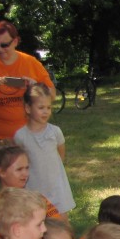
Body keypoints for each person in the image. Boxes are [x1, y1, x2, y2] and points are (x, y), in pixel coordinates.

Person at [0, 20, 55, 141]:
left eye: (4, 45)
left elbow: (52, 95)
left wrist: (36, 86)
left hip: (31, 133)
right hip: (0, 137)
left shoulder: (31, 63)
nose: (0, 50)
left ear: (15, 41)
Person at [14, 83, 75, 217]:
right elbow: (19, 162)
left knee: (61, 222)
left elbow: (60, 154)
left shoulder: (55, 132)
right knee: (36, 221)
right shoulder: (21, 136)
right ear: (28, 108)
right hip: (34, 187)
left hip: (56, 187)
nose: (46, 111)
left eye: (48, 107)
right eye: (41, 107)